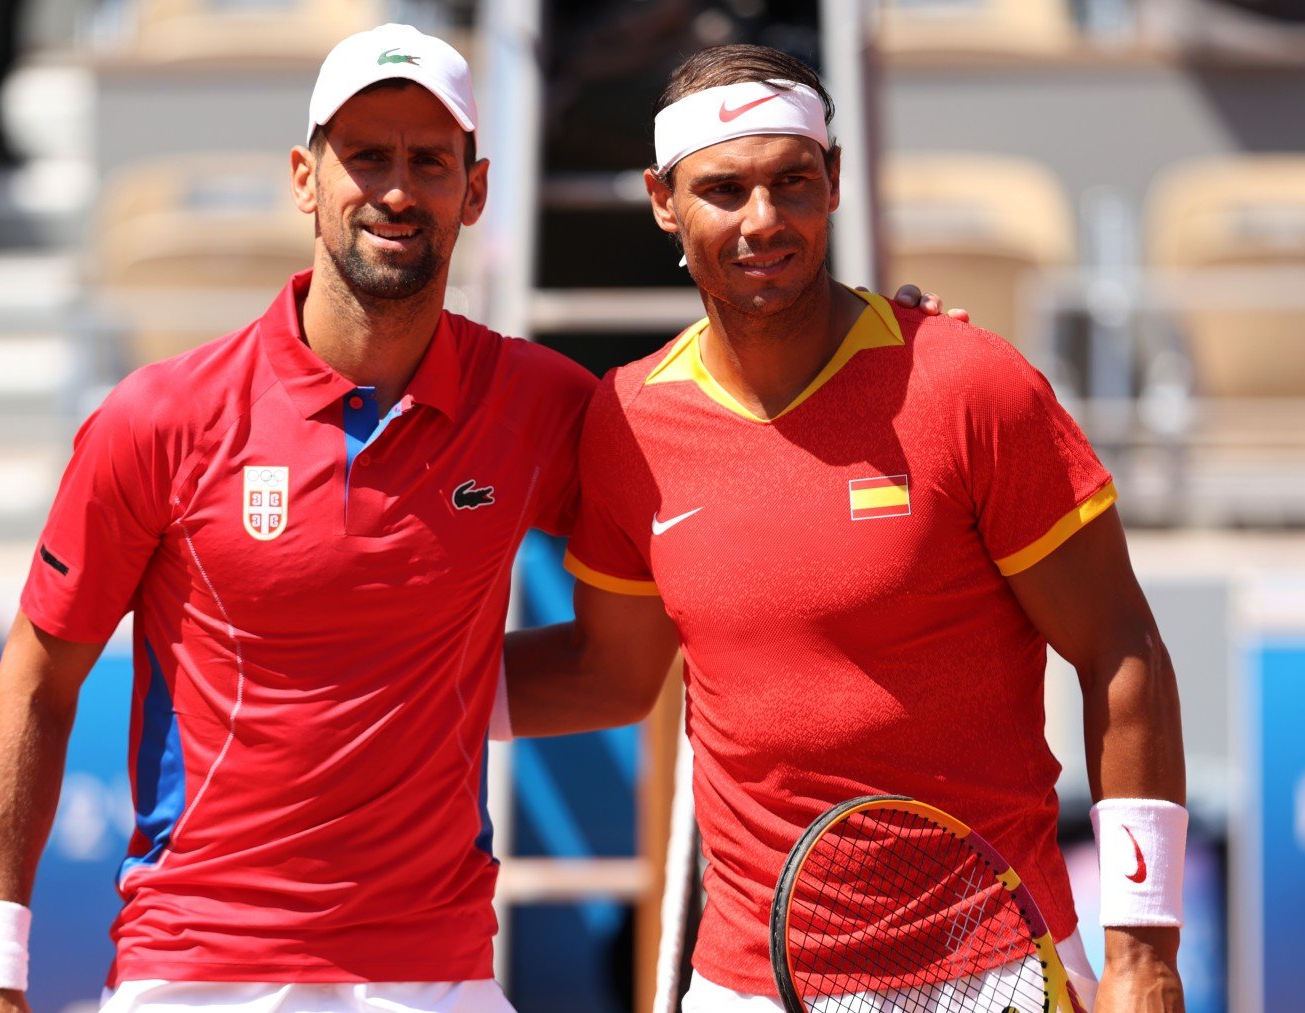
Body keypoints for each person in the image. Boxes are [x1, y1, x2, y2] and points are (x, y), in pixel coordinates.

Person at [0, 20, 966, 1013]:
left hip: (438, 970)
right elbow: (35, 685)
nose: (396, 188)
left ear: (475, 192)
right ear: (307, 178)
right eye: (366, 155)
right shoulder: (159, 417)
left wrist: (881, 360)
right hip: (197, 966)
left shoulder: (540, 401)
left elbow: (722, 461)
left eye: (430, 162)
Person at [505, 45, 1189, 1012]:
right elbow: (607, 674)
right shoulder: (627, 423)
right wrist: (378, 692)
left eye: (793, 181)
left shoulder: (971, 384)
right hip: (747, 981)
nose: (763, 220)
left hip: (998, 966)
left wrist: (1144, 951)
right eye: (725, 188)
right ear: (664, 201)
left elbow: (1124, 652)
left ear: (833, 184)